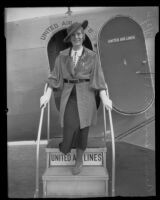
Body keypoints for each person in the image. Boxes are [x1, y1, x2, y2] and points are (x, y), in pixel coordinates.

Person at [40, 20, 112, 175]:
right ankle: (66, 146)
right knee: (69, 127)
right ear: (70, 38)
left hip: (86, 95)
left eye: (79, 34)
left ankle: (79, 160)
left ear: (83, 35)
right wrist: (46, 94)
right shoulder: (62, 56)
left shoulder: (92, 57)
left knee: (83, 129)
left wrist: (105, 98)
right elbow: (54, 78)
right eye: (74, 35)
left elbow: (99, 80)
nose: (77, 37)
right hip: (69, 95)